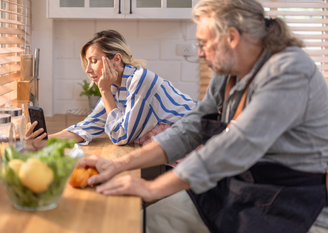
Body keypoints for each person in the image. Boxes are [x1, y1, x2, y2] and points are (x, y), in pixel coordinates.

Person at [77, 0, 328, 233]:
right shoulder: (228, 71)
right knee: (140, 223)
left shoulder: (288, 71)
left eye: (203, 43)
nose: (199, 53)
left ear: (231, 37)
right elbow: (191, 127)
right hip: (231, 189)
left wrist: (152, 188)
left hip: (286, 203)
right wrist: (118, 165)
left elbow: (235, 146)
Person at [26, 30, 196, 145]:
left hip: (197, 145)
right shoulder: (115, 88)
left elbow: (121, 136)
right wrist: (46, 140)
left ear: (116, 59)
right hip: (174, 150)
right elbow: (86, 127)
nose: (87, 69)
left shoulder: (141, 80)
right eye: (87, 62)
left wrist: (105, 91)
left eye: (93, 61)